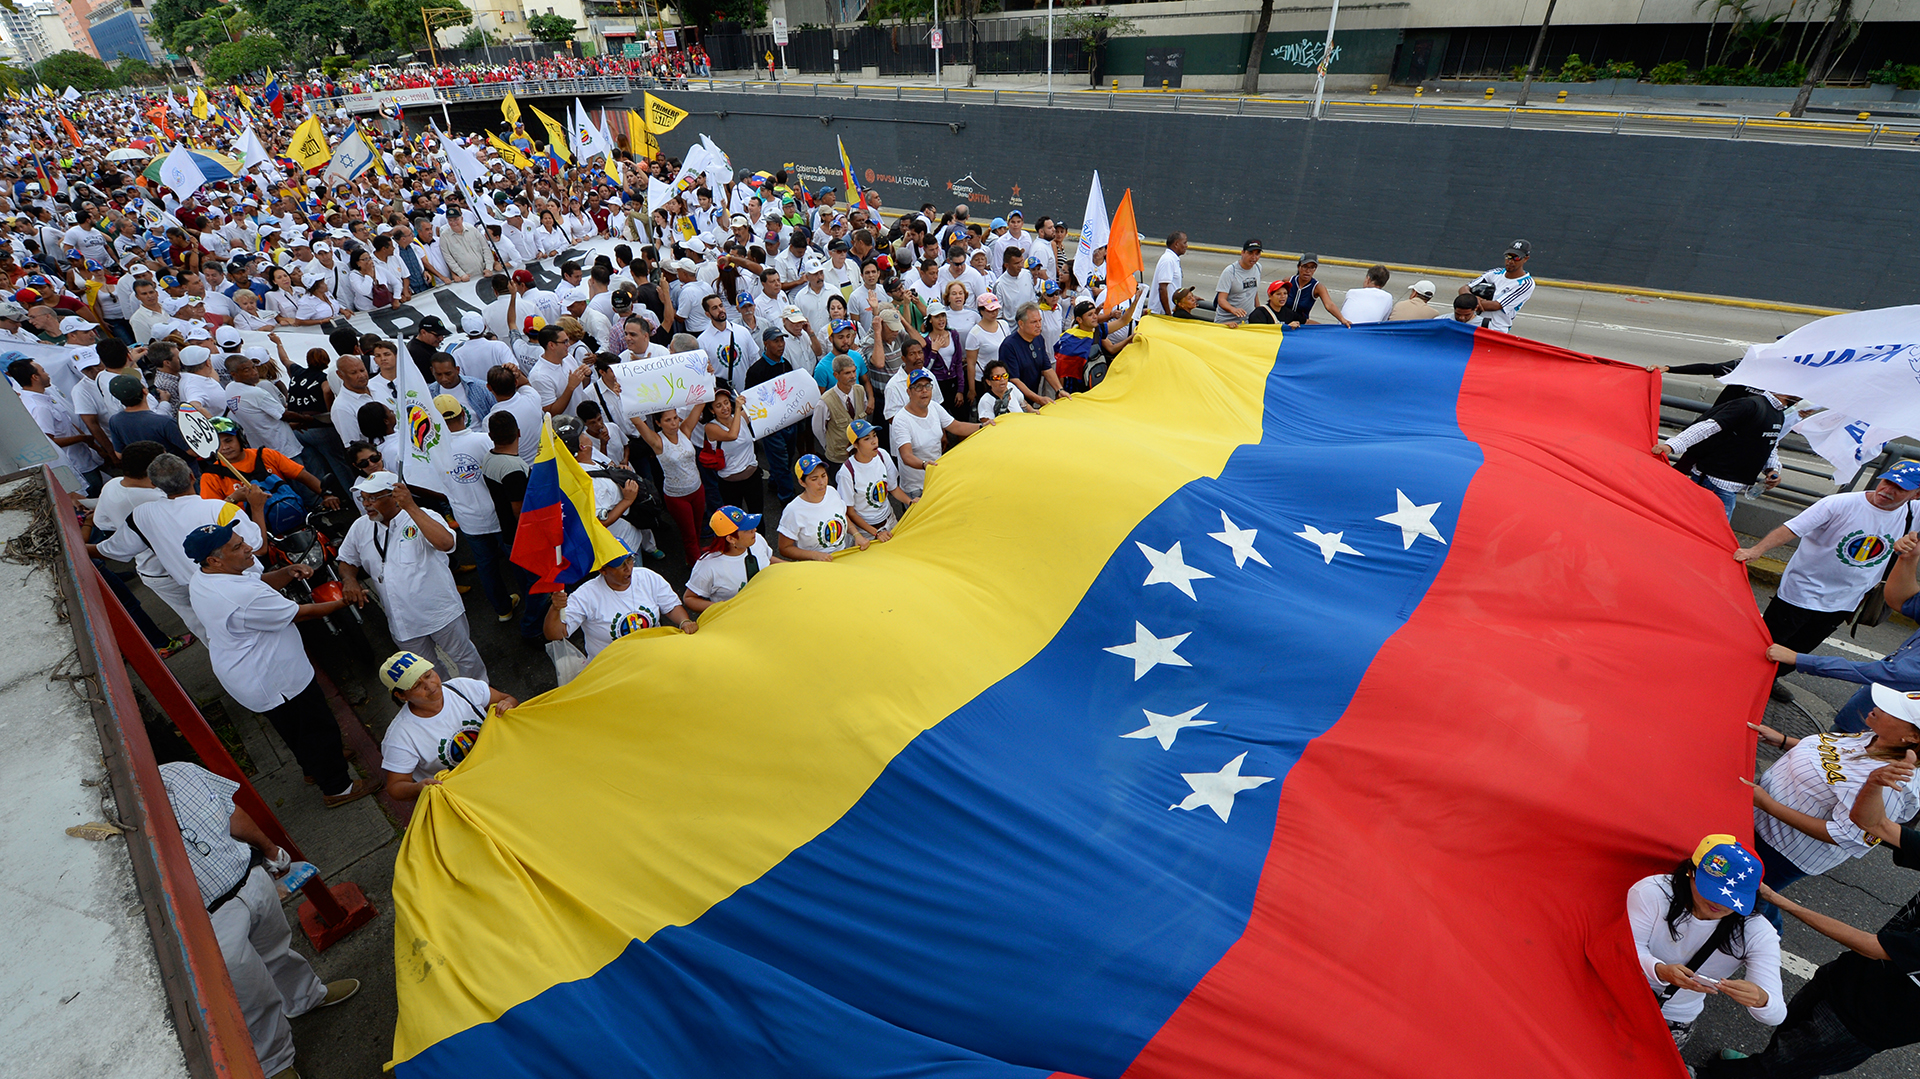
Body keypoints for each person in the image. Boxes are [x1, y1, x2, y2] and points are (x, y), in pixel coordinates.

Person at [1706, 755, 1920, 1076]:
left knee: (1781, 1066)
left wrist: (1782, 902)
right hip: (1849, 973)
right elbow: (1874, 824)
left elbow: (1875, 947)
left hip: (1871, 1020)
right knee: (1788, 1036)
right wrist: (1874, 783)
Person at [157, 760, 360, 1079]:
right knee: (251, 993)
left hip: (250, 878)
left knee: (279, 952)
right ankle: (275, 1062)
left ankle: (306, 997)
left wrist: (269, 849)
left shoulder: (180, 771)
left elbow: (231, 813)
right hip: (209, 917)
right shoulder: (121, 824)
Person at [184, 521, 377, 808]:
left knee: (295, 729)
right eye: (237, 546)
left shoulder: (206, 576)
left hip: (250, 674)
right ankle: (338, 787)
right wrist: (344, 601)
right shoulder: (240, 596)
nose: (249, 547)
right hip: (274, 677)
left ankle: (313, 767)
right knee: (317, 728)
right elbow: (302, 612)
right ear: (215, 559)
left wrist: (286, 572)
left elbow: (255, 581)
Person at [1735, 463, 1920, 699]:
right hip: (1802, 591)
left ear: (1916, 494)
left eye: (1900, 488)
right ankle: (1740, 679)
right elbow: (1793, 528)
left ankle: (1770, 680)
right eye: (1887, 482)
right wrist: (1757, 550)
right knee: (1768, 641)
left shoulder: (1914, 513)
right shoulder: (1840, 504)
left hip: (1846, 599)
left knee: (1802, 649)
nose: (1887, 490)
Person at [1745, 683, 1920, 930]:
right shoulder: (1876, 736)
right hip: (1758, 820)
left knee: (1744, 897)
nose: (1877, 707)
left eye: (1891, 710)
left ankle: (1766, 936)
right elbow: (1831, 754)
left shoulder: (1895, 784)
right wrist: (1783, 741)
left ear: (1912, 737)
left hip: (1780, 849)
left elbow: (1843, 834)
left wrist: (1768, 804)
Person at [1628, 835, 1783, 1052]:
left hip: (1674, 1015)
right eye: (1711, 889)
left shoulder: (1758, 931)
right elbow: (1627, 948)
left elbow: (1776, 1014)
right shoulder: (1652, 892)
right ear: (1691, 872)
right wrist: (1659, 970)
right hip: (1622, 988)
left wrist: (1761, 999)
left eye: (1733, 898)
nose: (1719, 903)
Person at [337, 471, 488, 682]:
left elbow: (447, 544)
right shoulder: (361, 526)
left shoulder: (424, 516)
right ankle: (448, 704)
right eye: (363, 498)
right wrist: (349, 580)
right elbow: (346, 560)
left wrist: (411, 507)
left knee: (464, 658)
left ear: (395, 496)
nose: (366, 504)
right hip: (402, 622)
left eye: (372, 498)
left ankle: (481, 696)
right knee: (424, 673)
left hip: (440, 613)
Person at [1770, 531, 1920, 733]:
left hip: (1883, 736)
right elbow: (1902, 601)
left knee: (1831, 758)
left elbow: (1889, 674)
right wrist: (1908, 558)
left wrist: (1799, 659)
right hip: (1868, 717)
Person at [375, 651, 517, 801]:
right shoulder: (400, 736)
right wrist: (418, 788)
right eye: (416, 685)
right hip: (467, 796)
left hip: (503, 766)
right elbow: (395, 787)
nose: (429, 686)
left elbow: (507, 699)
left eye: (429, 675)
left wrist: (507, 706)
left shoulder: (463, 687)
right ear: (401, 696)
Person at [1654, 387, 1799, 518]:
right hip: (1715, 482)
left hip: (1728, 485)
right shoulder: (1750, 405)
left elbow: (1770, 444)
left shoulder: (1778, 414)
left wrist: (1772, 469)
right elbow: (1709, 426)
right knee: (1709, 535)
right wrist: (1672, 445)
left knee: (1705, 535)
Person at [543, 544, 697, 661]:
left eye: (629, 560)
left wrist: (684, 621)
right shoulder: (586, 595)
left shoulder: (647, 577)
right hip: (612, 668)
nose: (628, 568)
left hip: (653, 658)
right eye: (620, 565)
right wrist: (556, 609)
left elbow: (670, 607)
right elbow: (556, 634)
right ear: (603, 570)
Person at [891, 369, 993, 499]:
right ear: (909, 392)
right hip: (916, 488)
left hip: (936, 479)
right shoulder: (901, 420)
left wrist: (982, 426)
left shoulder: (934, 407)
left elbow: (957, 426)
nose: (924, 391)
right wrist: (925, 465)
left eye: (928, 386)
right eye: (918, 387)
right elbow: (906, 456)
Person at [778, 454, 883, 562]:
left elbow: (842, 515)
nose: (822, 483)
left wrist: (857, 535)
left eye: (823, 476)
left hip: (843, 557)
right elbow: (784, 548)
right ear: (802, 482)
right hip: (816, 566)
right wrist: (814, 555)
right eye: (814, 479)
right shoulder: (793, 511)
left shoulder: (832, 491)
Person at [684, 506, 777, 613]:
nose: (754, 530)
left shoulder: (757, 539)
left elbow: (768, 558)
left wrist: (797, 568)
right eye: (747, 530)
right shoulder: (708, 566)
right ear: (731, 539)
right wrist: (724, 608)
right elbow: (689, 598)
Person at [998, 302, 1070, 410]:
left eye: (1040, 321)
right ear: (1021, 324)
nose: (1039, 325)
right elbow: (1014, 380)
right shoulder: (1009, 346)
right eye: (1034, 322)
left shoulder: (1039, 339)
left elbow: (1046, 368)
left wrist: (1059, 390)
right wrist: (1039, 399)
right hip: (1014, 403)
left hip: (1032, 398)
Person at [838, 419, 905, 532]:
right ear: (855, 444)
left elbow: (893, 488)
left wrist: (911, 502)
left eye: (874, 436)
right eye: (867, 439)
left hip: (890, 520)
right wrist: (876, 533)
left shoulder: (882, 455)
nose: (874, 441)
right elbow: (850, 511)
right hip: (866, 531)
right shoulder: (847, 472)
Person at [1459, 239, 1535, 333]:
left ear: (1526, 259)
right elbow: (1464, 289)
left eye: (1516, 258)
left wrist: (1470, 301)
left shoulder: (1525, 284)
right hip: (1474, 323)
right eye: (1508, 257)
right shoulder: (1495, 273)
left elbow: (1495, 305)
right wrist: (1475, 299)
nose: (1510, 261)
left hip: (1496, 329)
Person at [1270, 254, 1350, 328]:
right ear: (1299, 267)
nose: (1308, 271)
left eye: (1312, 267)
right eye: (1305, 266)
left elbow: (1329, 305)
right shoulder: (1288, 281)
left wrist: (1342, 319)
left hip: (1301, 326)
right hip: (1282, 323)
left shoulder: (1317, 287)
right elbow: (1274, 298)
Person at [1212, 240, 1264, 326]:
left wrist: (1258, 310)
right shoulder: (1230, 272)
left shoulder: (1258, 267)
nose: (1254, 257)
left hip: (1247, 321)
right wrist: (1233, 310)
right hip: (1227, 322)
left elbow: (1254, 291)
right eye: (1250, 253)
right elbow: (1221, 299)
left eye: (1257, 254)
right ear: (1242, 253)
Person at [1150, 231, 1186, 316]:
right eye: (1184, 243)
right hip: (1161, 314)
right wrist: (1168, 313)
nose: (1186, 246)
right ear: (1176, 244)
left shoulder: (1173, 260)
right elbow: (1162, 288)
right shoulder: (1168, 260)